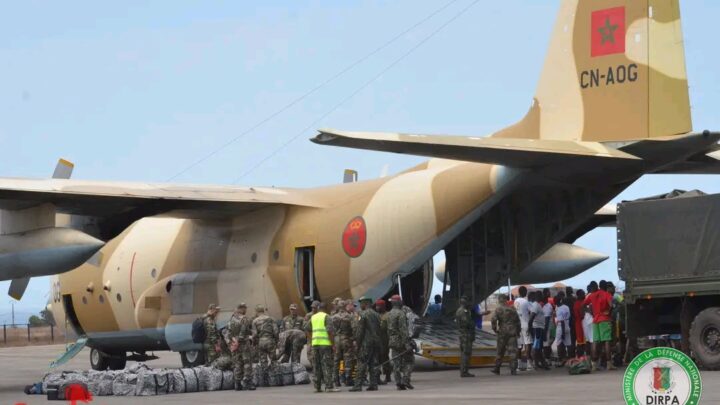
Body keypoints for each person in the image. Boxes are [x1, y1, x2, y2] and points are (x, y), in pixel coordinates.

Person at [305, 302, 340, 393]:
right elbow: (330, 332)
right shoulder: (326, 317)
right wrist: (332, 344)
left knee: (317, 365)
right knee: (327, 365)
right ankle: (329, 387)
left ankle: (317, 387)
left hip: (315, 344)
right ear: (325, 308)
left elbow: (307, 328)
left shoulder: (314, 317)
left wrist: (312, 339)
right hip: (325, 344)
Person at [350, 296, 382, 392]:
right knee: (373, 363)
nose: (360, 305)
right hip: (375, 342)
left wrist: (358, 344)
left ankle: (357, 385)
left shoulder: (362, 315)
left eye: (362, 303)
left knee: (361, 363)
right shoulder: (376, 315)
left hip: (365, 343)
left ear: (366, 303)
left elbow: (360, 331)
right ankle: (373, 384)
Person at [224, 303, 255, 390]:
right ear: (241, 309)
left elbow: (227, 333)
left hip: (234, 345)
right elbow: (243, 331)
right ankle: (247, 381)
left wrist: (231, 343)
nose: (246, 310)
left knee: (237, 363)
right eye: (245, 308)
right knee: (247, 362)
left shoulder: (231, 319)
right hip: (243, 344)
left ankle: (237, 384)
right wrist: (242, 339)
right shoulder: (244, 319)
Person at [585, 281, 615, 371]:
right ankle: (609, 364)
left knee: (595, 342)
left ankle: (593, 364)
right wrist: (608, 312)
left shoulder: (592, 295)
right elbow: (611, 305)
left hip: (595, 320)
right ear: (606, 287)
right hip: (604, 320)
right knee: (607, 341)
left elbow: (584, 305)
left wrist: (591, 313)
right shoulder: (606, 294)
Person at [387, 294, 414, 390]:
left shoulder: (389, 314)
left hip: (392, 341)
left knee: (396, 363)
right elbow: (403, 330)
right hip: (401, 341)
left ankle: (398, 383)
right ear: (399, 302)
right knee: (409, 360)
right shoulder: (400, 314)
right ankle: (405, 379)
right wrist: (407, 343)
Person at [490, 294, 521, 375]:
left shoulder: (498, 309)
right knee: (513, 351)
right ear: (506, 300)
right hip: (512, 332)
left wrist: (494, 329)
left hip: (502, 332)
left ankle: (497, 368)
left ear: (500, 299)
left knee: (500, 351)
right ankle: (513, 369)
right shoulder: (512, 308)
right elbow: (518, 322)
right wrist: (518, 331)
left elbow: (493, 320)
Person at [252, 304, 280, 385]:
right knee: (273, 360)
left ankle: (265, 382)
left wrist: (255, 343)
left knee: (263, 361)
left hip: (261, 342)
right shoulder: (271, 319)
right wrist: (276, 340)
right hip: (270, 341)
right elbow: (276, 331)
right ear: (263, 311)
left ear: (257, 312)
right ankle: (277, 380)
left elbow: (255, 334)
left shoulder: (255, 321)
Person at [332, 300, 356, 387]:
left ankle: (336, 380)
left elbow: (331, 330)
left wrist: (332, 342)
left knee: (336, 360)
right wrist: (353, 338)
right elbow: (354, 328)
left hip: (336, 340)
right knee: (348, 359)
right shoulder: (349, 317)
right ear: (345, 306)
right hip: (346, 339)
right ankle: (348, 379)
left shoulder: (333, 317)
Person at [527, 291, 550, 370]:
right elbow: (531, 318)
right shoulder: (535, 306)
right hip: (537, 328)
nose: (542, 297)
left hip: (539, 328)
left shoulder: (538, 305)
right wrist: (529, 329)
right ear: (538, 296)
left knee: (539, 347)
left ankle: (539, 363)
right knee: (536, 347)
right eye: (541, 295)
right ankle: (535, 363)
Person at [455, 296, 476, 377]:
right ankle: (464, 371)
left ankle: (464, 370)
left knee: (464, 353)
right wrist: (473, 323)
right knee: (466, 353)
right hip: (466, 335)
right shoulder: (463, 311)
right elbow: (466, 323)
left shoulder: (460, 310)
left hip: (463, 334)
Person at [513, 286, 532, 370]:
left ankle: (519, 365)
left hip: (517, 325)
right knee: (528, 343)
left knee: (519, 345)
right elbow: (531, 312)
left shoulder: (515, 301)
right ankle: (529, 364)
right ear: (525, 292)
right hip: (525, 324)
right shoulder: (526, 302)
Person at [375, 298, 392, 384]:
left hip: (384, 341)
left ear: (383, 306)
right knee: (376, 359)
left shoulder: (387, 315)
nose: (377, 307)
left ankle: (388, 375)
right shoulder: (375, 315)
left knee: (385, 358)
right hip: (376, 341)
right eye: (376, 306)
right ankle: (377, 376)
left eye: (379, 306)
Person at [554, 294, 571, 366]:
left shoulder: (559, 309)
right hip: (567, 325)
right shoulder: (566, 307)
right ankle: (570, 359)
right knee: (568, 343)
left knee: (559, 344)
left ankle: (561, 360)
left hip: (561, 327)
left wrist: (563, 332)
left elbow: (562, 321)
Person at [304, 300, 320, 365]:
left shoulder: (321, 315)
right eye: (312, 307)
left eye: (314, 307)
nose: (313, 309)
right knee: (309, 354)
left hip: (319, 337)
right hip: (311, 337)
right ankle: (314, 368)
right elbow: (305, 326)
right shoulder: (308, 315)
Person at [572, 289, 587, 357]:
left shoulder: (582, 302)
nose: (584, 295)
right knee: (580, 343)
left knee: (584, 343)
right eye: (583, 294)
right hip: (580, 325)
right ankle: (579, 358)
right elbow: (581, 315)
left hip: (583, 325)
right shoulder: (578, 303)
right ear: (579, 295)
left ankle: (582, 357)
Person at [564, 287, 577, 357]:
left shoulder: (564, 300)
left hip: (566, 320)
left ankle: (569, 354)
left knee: (568, 338)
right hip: (573, 320)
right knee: (573, 338)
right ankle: (573, 354)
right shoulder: (574, 299)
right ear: (571, 291)